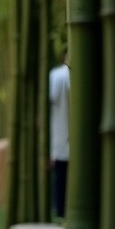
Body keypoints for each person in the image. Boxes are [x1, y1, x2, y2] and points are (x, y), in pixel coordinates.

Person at [49, 51, 70, 218]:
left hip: (59, 138)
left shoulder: (56, 76)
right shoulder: (59, 76)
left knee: (60, 177)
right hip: (63, 137)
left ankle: (60, 211)